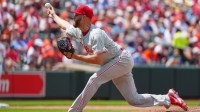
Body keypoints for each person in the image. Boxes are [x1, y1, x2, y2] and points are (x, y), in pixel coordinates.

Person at [45, 3, 188, 112]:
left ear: (85, 18)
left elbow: (98, 60)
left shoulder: (96, 34)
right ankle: (168, 98)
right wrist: (53, 15)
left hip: (120, 60)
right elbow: (65, 26)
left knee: (94, 79)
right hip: (115, 63)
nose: (74, 17)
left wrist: (74, 56)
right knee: (134, 100)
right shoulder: (79, 31)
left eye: (77, 15)